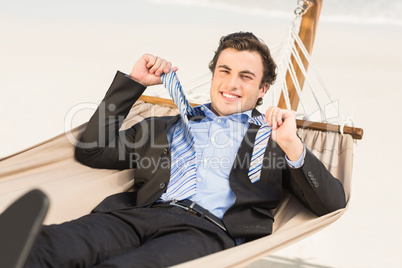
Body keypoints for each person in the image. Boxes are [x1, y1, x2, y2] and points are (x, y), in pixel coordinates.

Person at [11, 32, 345, 267]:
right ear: (213, 76)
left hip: (205, 231)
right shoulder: (166, 124)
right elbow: (92, 150)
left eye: (246, 77)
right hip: (135, 214)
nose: (231, 84)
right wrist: (134, 83)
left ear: (263, 89)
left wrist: (292, 145)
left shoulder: (274, 139)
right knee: (48, 246)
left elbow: (331, 203)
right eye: (224, 71)